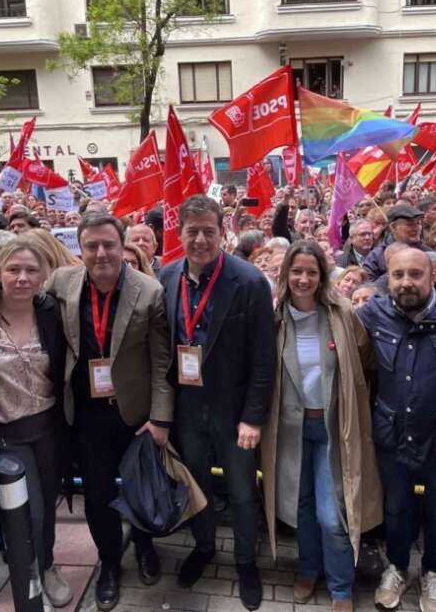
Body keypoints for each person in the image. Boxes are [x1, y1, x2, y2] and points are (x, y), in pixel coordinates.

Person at [38, 212, 172, 611]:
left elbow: (162, 362)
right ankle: (110, 563)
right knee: (98, 496)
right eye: (91, 246)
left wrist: (161, 418)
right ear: (80, 249)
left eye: (108, 244)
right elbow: (15, 281)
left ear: (121, 245)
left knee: (141, 489)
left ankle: (146, 547)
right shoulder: (61, 283)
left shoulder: (149, 292)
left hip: (136, 413)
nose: (101, 253)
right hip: (86, 414)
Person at [160, 195, 276, 611]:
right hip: (187, 408)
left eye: (209, 230)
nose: (201, 239)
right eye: (193, 231)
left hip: (234, 412)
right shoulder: (167, 276)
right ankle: (205, 546)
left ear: (222, 231)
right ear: (179, 234)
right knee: (196, 485)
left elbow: (264, 359)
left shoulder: (248, 281)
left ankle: (246, 560)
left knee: (243, 492)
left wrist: (253, 417)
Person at [358, 248, 436, 612]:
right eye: (398, 275)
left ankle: (433, 573)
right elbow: (334, 323)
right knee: (397, 509)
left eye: (415, 274)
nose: (406, 282)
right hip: (392, 436)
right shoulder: (374, 313)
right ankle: (397, 568)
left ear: (433, 276)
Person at [261, 241, 381, 612]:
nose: (303, 278)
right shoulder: (274, 318)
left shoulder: (342, 314)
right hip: (291, 431)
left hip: (333, 430)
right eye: (296, 271)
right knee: (302, 508)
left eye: (311, 271)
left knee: (333, 515)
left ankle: (341, 586)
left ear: (322, 275)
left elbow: (366, 363)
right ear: (285, 275)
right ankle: (309, 570)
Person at [0, 238, 71, 607]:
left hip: (50, 430)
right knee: (30, 511)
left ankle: (46, 563)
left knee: (47, 506)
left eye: (31, 270)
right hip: (7, 434)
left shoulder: (52, 311)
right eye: (13, 269)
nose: (22, 278)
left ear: (43, 276)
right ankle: (33, 569)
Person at [362, 205, 430, 280]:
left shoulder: (427, 253)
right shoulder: (376, 256)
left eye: (418, 223)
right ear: (393, 227)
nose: (416, 228)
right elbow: (367, 285)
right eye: (410, 224)